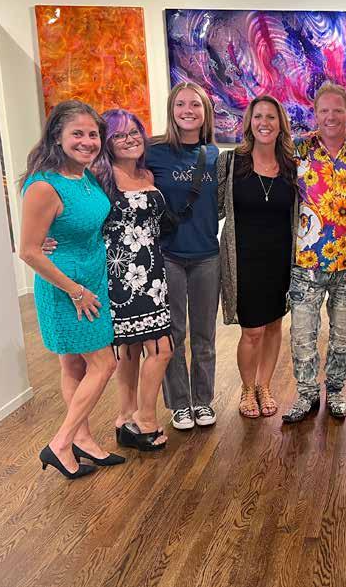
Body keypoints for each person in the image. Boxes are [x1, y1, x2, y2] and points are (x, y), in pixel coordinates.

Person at [19, 100, 121, 479]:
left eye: (93, 134)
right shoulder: (44, 185)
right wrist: (75, 291)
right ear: (57, 137)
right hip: (66, 289)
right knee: (104, 363)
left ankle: (84, 439)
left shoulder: (84, 175)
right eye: (77, 133)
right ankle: (61, 443)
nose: (87, 141)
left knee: (74, 365)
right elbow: (29, 250)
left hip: (91, 280)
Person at [282, 82, 346, 423]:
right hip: (307, 260)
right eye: (324, 110)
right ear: (315, 114)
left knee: (343, 335)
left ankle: (336, 390)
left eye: (337, 110)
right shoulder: (297, 150)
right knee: (303, 334)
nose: (331, 116)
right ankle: (306, 394)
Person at [95, 109, 172, 450]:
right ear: (107, 143)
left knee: (131, 347)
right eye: (119, 135)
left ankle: (125, 418)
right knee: (162, 349)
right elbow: (75, 214)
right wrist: (52, 239)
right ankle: (146, 419)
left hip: (153, 274)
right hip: (121, 275)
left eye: (134, 131)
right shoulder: (100, 177)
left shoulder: (147, 173)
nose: (129, 139)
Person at [216, 95, 297, 418]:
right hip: (244, 260)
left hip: (279, 259)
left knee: (275, 325)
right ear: (249, 122)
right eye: (259, 116)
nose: (265, 122)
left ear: (280, 125)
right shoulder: (231, 162)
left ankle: (265, 386)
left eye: (271, 117)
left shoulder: (291, 165)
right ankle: (248, 388)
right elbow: (212, 209)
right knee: (252, 331)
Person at [146, 82, 220, 431]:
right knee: (173, 334)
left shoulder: (216, 155)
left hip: (207, 255)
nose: (187, 110)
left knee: (204, 335)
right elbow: (116, 182)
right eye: (180, 104)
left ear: (205, 112)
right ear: (171, 110)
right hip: (168, 255)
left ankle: (203, 401)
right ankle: (179, 404)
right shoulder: (153, 152)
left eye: (195, 105)